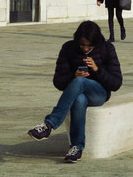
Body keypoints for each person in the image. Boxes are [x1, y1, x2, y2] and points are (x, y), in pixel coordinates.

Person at [27, 20, 123, 163]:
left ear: (96, 43)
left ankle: (49, 125)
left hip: (99, 93)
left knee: (80, 82)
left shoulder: (107, 48)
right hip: (77, 92)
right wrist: (73, 75)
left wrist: (97, 70)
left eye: (89, 46)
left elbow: (116, 83)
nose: (85, 48)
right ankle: (76, 147)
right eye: (82, 45)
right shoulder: (68, 48)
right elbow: (58, 81)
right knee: (79, 99)